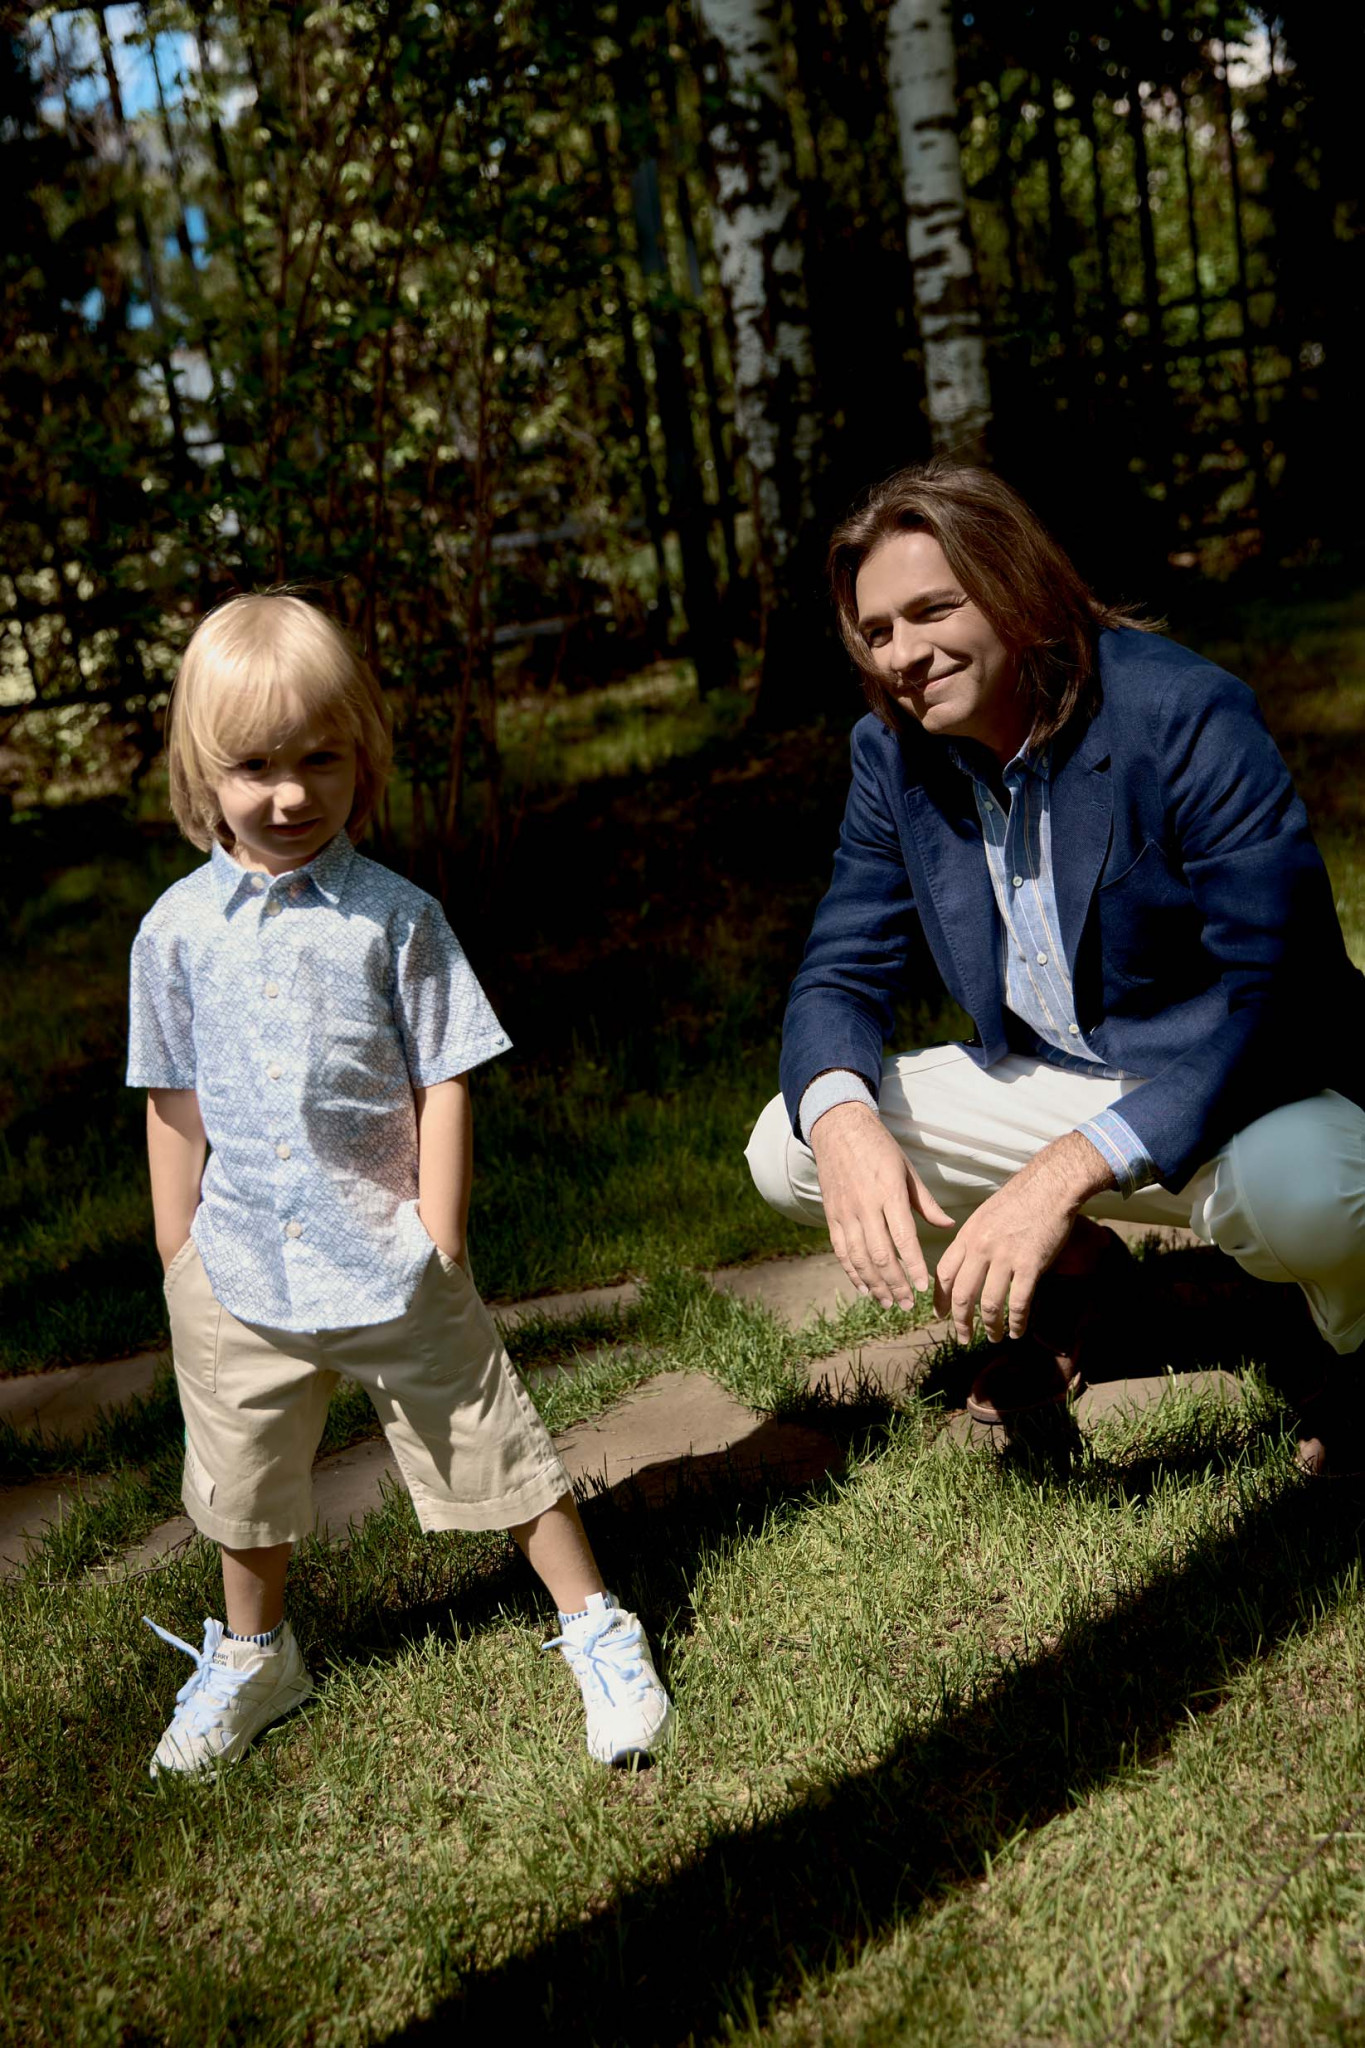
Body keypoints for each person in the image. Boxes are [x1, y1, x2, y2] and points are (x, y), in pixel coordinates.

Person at [128, 593, 671, 1776]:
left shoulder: (396, 919)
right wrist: (178, 1249)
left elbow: (447, 1072)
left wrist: (441, 1227)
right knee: (240, 1477)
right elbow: (172, 1096)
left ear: (362, 756)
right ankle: (256, 1653)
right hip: (239, 1267)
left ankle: (595, 1621)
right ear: (202, 769)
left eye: (319, 759)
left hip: (387, 1254)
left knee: (494, 1441)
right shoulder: (173, 934)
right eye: (255, 766)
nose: (290, 793)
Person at [745, 464, 1365, 1464]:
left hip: (1247, 1088)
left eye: (932, 610)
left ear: (1014, 588)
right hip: (1061, 1078)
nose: (904, 654)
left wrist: (1060, 1170)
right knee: (795, 1141)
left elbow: (1285, 997)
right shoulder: (892, 754)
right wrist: (847, 1122)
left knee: (1312, 1191)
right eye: (878, 631)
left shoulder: (1179, 711)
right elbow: (838, 972)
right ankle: (1082, 1282)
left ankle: (1350, 1341)